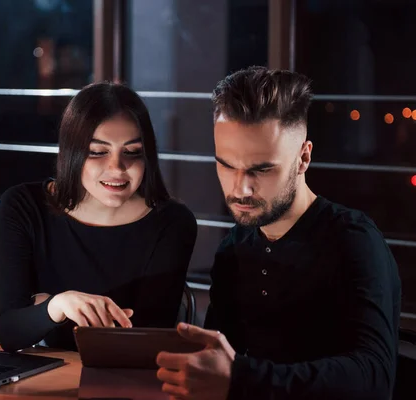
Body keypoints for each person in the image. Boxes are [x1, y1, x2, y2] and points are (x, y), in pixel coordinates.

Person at [156, 67, 402, 400]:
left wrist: (240, 380)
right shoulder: (235, 247)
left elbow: (373, 380)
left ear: (303, 158)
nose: (240, 187)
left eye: (262, 169)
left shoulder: (352, 241)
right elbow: (217, 357)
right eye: (227, 165)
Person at [0, 82, 198, 352]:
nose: (117, 168)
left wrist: (45, 310)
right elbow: (10, 332)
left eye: (132, 152)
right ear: (72, 153)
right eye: (98, 152)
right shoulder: (23, 206)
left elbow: (143, 342)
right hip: (52, 379)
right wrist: (58, 305)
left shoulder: (173, 223)